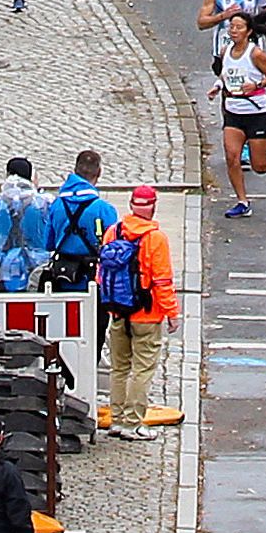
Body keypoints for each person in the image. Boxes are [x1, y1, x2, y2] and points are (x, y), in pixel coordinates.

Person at [93, 185, 178, 436]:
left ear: (131, 205)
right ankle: (132, 423)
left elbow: (101, 275)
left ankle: (117, 420)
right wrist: (172, 313)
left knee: (119, 369)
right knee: (142, 369)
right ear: (153, 206)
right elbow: (162, 281)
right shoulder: (156, 238)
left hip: (118, 312)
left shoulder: (113, 232)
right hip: (147, 314)